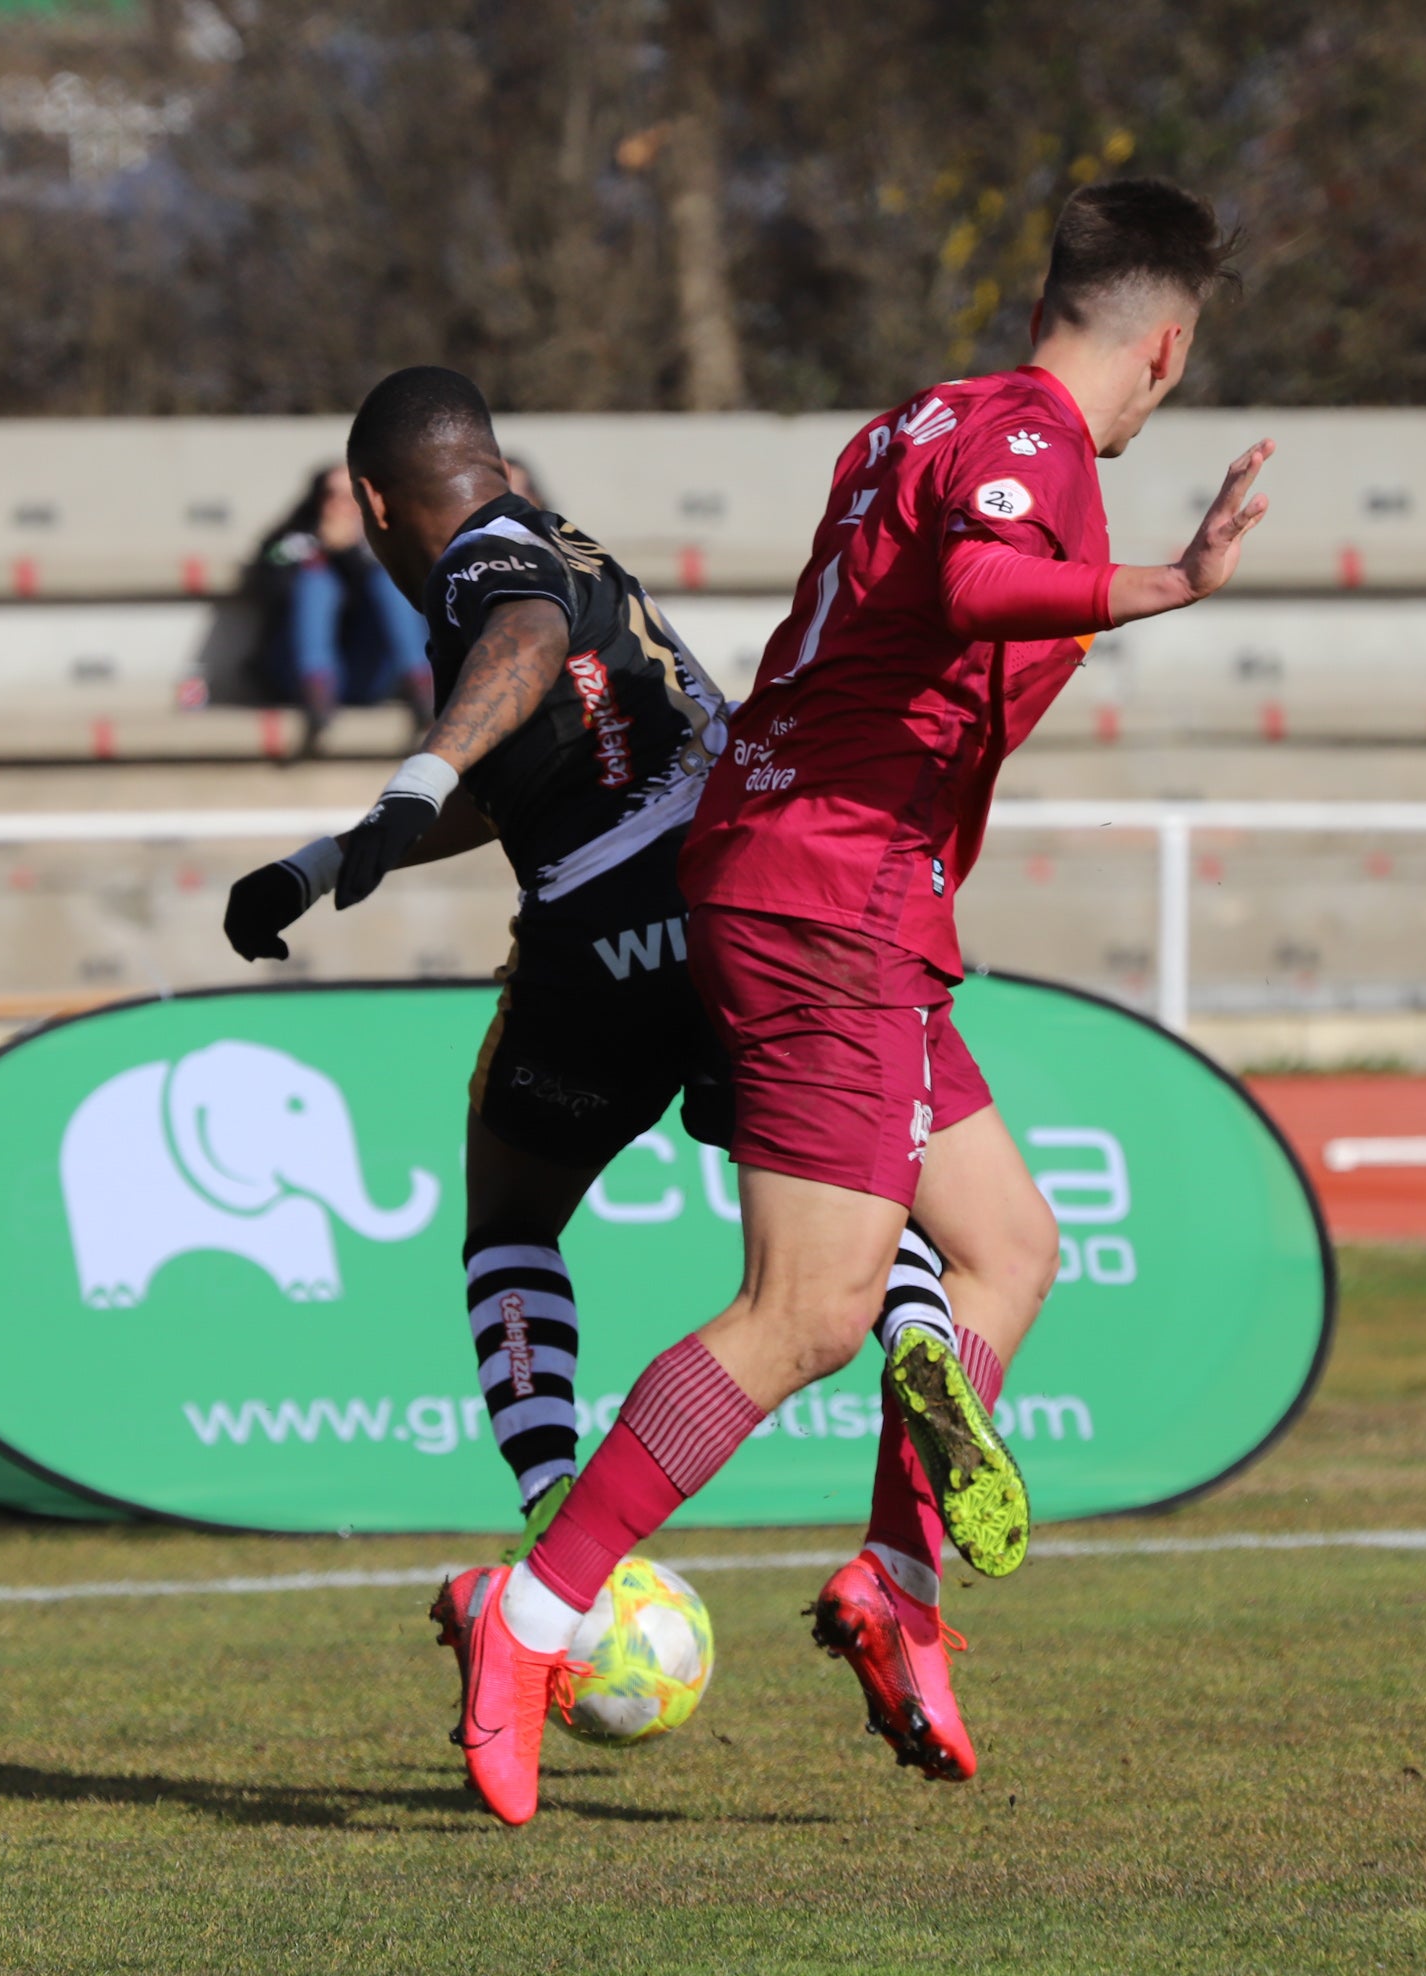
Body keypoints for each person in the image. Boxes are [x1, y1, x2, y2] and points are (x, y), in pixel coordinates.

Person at [429, 178, 1273, 1825]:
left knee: (1008, 1249)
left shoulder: (918, 421)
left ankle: (894, 1579)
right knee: (810, 1314)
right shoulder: (1027, 446)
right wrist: (1165, 585)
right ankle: (532, 1620)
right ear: (1164, 349)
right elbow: (971, 594)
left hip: (826, 872)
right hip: (830, 893)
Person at [220, 369, 744, 1561]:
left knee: (510, 1221)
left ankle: (557, 1505)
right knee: (827, 1193)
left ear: (374, 499)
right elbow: (516, 770)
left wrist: (415, 777)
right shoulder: (563, 536)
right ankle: (918, 1317)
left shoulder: (472, 564)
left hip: (603, 939)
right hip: (737, 902)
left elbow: (521, 638)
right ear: (497, 462)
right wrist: (317, 863)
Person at [243, 464, 434, 754]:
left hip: (366, 674)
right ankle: (317, 685)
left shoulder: (388, 542)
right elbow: (268, 587)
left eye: (352, 497)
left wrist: (348, 554)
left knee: (385, 580)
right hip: (296, 674)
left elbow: (417, 595)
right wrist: (321, 550)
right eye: (331, 495)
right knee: (316, 579)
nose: (340, 506)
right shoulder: (291, 541)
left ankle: (422, 686)